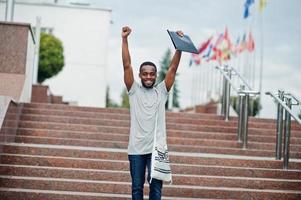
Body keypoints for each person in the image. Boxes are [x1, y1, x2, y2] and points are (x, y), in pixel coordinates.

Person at [122, 26, 183, 200]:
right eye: (145, 74)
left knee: (156, 190)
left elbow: (172, 69)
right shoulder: (133, 91)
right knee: (136, 189)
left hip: (156, 149)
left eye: (152, 74)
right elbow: (127, 65)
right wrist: (124, 39)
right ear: (140, 76)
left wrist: (179, 47)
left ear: (156, 76)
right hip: (136, 150)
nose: (148, 77)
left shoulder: (162, 91)